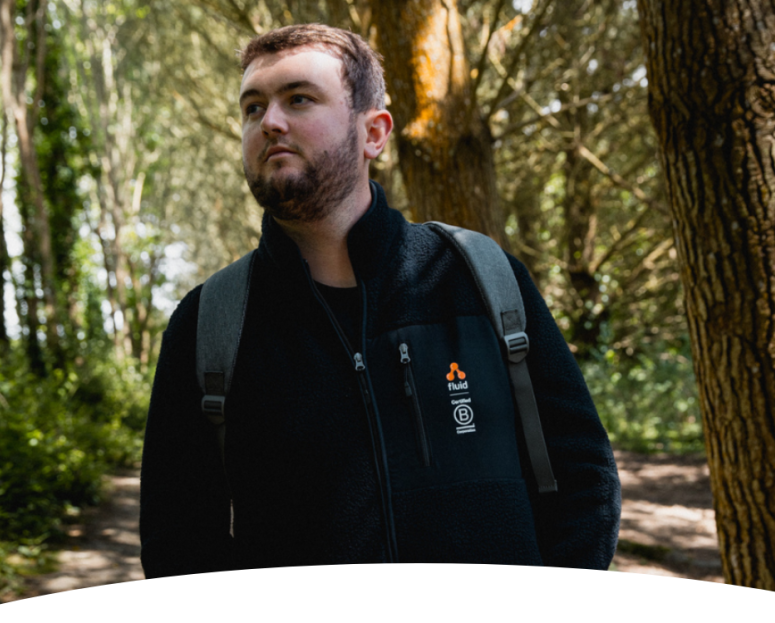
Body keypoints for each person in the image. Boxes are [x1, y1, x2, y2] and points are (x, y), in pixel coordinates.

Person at [140, 23, 620, 576]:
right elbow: (178, 541)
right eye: (253, 108)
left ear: (374, 133)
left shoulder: (478, 277)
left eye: (298, 99)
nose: (269, 122)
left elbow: (584, 476)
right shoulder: (209, 326)